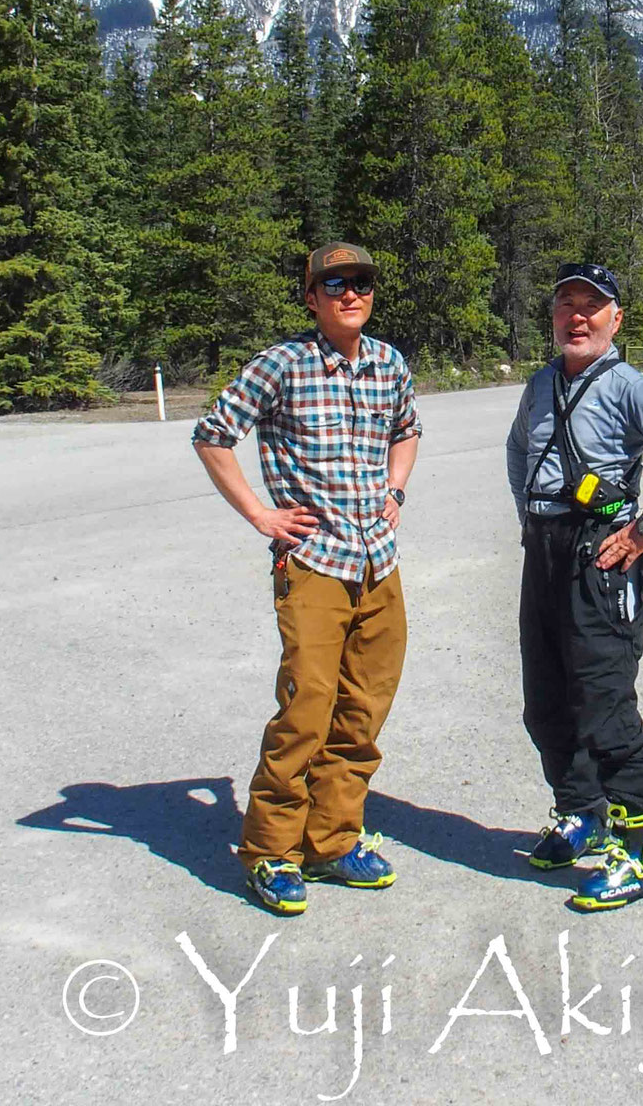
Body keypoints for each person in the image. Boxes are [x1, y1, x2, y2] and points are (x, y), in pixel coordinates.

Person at [192, 241, 421, 916]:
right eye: (335, 284)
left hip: (379, 561)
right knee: (305, 710)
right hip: (315, 564)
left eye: (361, 284)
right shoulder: (281, 365)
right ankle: (269, 852)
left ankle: (332, 840)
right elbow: (213, 434)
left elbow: (407, 429)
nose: (351, 294)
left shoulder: (387, 363)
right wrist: (260, 513)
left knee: (363, 709)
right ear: (312, 296)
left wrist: (396, 490)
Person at [505, 261, 643, 911]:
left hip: (600, 560)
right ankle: (583, 811)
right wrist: (531, 522)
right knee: (546, 699)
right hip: (543, 552)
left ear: (615, 319)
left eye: (591, 306)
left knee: (603, 704)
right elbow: (518, 453)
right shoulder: (540, 384)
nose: (577, 316)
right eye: (565, 304)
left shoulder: (629, 386)